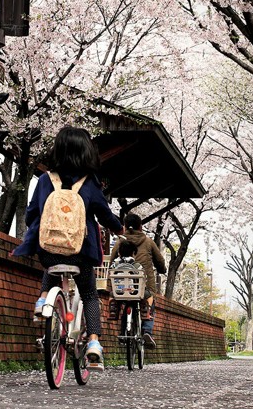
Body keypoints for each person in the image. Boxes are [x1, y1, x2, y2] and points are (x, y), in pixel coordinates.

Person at [13, 126, 123, 370]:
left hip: (49, 250)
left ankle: (43, 301)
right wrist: (119, 229)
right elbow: (105, 215)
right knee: (90, 294)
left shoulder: (44, 181)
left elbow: (32, 214)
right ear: (86, 152)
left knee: (51, 263)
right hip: (80, 252)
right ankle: (93, 343)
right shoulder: (90, 184)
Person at [110, 213, 166, 347]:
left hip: (121, 287)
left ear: (124, 226)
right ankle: (147, 331)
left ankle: (123, 331)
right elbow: (160, 261)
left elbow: (111, 260)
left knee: (124, 303)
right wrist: (162, 269)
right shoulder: (148, 241)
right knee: (149, 302)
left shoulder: (120, 242)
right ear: (140, 227)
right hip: (143, 286)